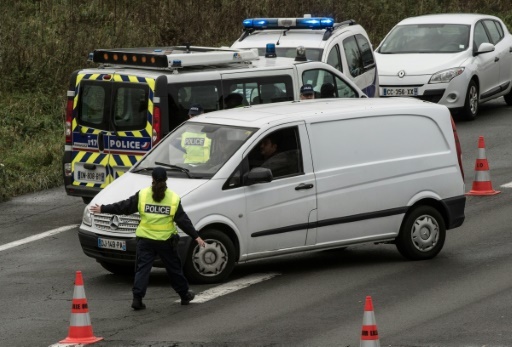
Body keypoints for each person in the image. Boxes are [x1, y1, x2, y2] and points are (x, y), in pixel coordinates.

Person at [89, 167, 206, 311]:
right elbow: (183, 221)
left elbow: (124, 207)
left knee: (142, 270)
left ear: (152, 179)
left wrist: (103, 209)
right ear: (166, 180)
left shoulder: (143, 195)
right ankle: (184, 295)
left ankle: (137, 299)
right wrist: (196, 237)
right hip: (165, 241)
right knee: (174, 269)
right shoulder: (173, 198)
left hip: (145, 240)